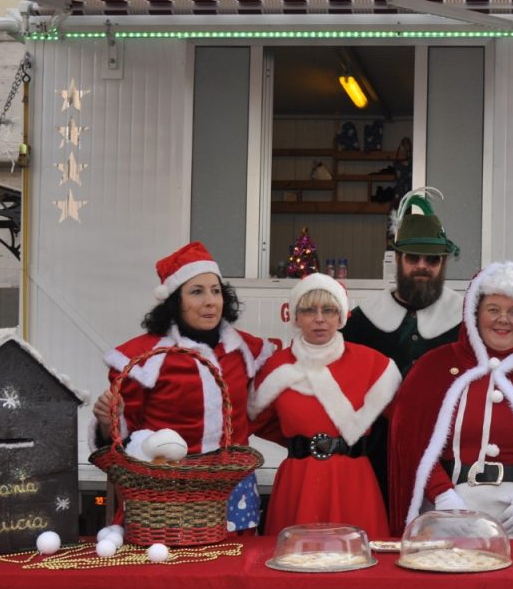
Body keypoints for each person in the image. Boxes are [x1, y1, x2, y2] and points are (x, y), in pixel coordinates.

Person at [389, 261, 513, 535]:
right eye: (493, 309)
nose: (503, 320)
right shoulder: (434, 367)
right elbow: (410, 440)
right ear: (474, 314)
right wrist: (442, 495)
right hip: (446, 511)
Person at [92, 242, 273, 533]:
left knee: (237, 572)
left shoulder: (247, 352)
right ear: (175, 301)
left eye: (216, 291)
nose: (210, 301)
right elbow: (121, 441)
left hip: (233, 493)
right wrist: (106, 422)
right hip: (167, 493)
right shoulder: (144, 360)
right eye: (197, 292)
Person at [250, 273, 401, 538]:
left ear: (341, 317)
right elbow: (259, 421)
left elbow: (403, 419)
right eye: (309, 310)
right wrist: (299, 442)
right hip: (300, 481)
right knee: (295, 562)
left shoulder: (373, 364)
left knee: (358, 567)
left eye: (329, 310)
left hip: (353, 480)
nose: (319, 318)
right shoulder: (276, 367)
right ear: (296, 317)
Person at [341, 188, 463, 505]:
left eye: (432, 259)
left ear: (444, 262)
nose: (423, 266)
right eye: (413, 257)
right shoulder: (360, 322)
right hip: (377, 462)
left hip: (449, 463)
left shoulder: (467, 321)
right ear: (397, 259)